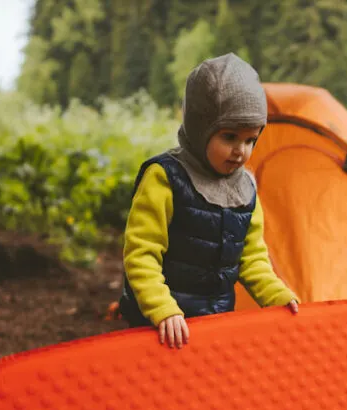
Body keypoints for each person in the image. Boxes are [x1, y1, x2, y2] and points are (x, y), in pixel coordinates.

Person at [118, 53, 299, 349]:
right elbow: (141, 254)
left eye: (251, 140)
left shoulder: (245, 187)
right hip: (160, 327)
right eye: (229, 136)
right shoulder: (165, 177)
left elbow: (252, 259)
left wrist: (277, 297)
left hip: (215, 324)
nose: (241, 151)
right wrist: (162, 309)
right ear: (201, 129)